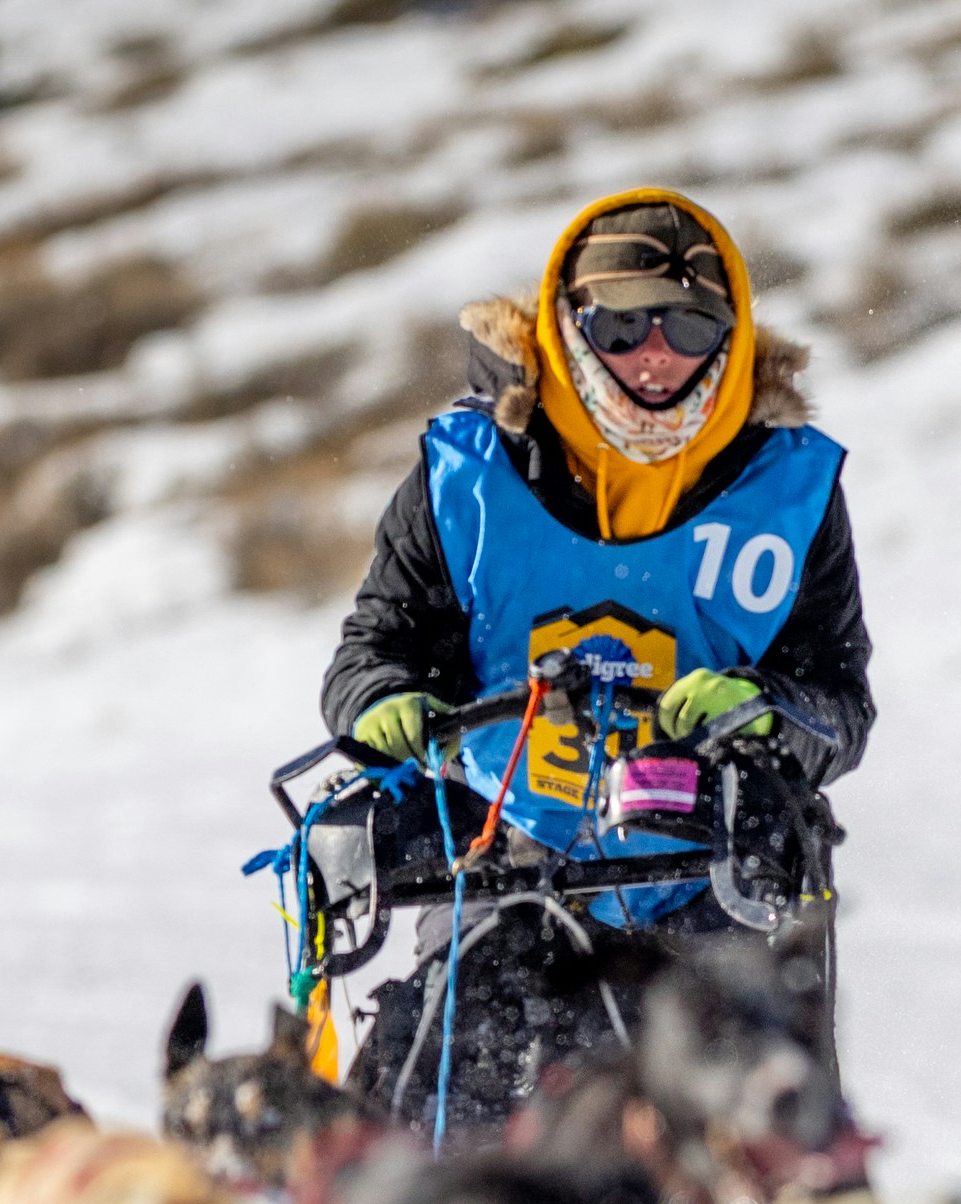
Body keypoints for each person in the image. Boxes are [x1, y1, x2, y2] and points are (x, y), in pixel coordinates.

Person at [320, 188, 875, 1132]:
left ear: (733, 336)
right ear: (568, 328)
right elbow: (370, 652)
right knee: (431, 1113)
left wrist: (767, 709)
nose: (656, 355)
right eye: (621, 326)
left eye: (692, 326)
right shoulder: (469, 478)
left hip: (711, 869)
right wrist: (383, 702)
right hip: (502, 856)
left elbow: (840, 704)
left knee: (750, 1141)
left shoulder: (790, 491)